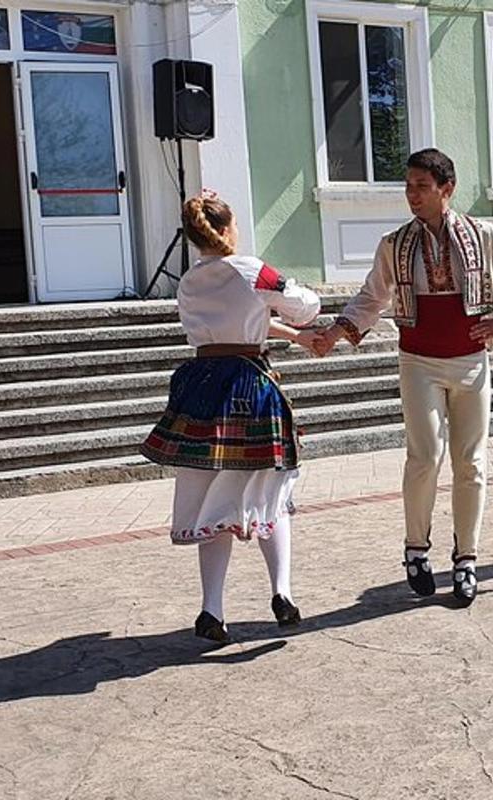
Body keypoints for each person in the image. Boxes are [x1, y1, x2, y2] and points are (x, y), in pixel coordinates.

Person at [311, 148, 493, 606]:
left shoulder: (481, 234)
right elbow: (371, 297)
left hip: (471, 361)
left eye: (421, 187)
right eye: (408, 187)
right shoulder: (394, 244)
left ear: (446, 189)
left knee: (471, 462)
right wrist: (336, 331)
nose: (412, 196)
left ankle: (467, 558)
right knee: (423, 456)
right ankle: (416, 549)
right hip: (418, 360)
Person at [140, 190, 324, 643]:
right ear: (226, 229)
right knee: (272, 488)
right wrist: (298, 321)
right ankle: (281, 591)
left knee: (209, 501)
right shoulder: (252, 269)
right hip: (249, 385)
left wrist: (293, 338)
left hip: (201, 387)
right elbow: (306, 306)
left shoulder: (188, 281)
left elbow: (232, 326)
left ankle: (212, 609)